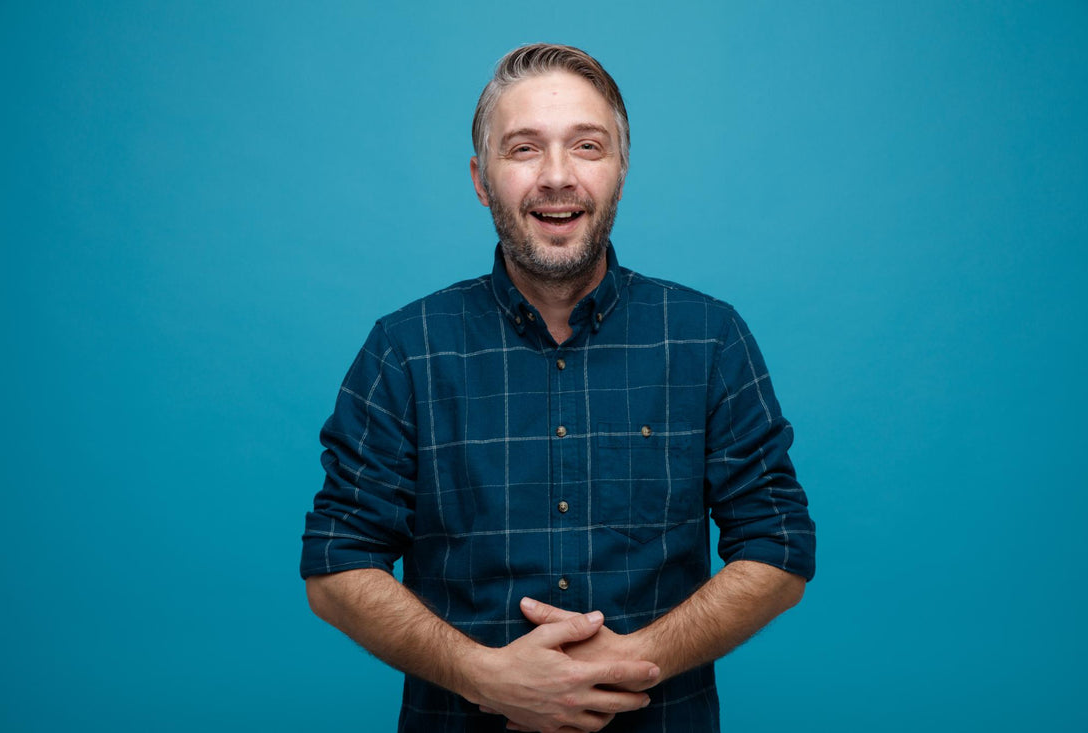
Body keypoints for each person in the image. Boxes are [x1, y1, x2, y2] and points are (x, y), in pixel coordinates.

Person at [301, 43, 815, 733]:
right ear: (482, 179)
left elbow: (778, 547)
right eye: (523, 149)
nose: (557, 177)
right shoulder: (405, 349)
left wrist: (633, 661)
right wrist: (481, 674)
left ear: (621, 170)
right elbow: (336, 563)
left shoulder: (709, 337)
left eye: (587, 146)